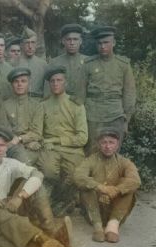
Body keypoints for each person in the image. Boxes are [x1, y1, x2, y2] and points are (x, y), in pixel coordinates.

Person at [0, 127, 72, 247]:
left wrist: (20, 197)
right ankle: (49, 238)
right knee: (4, 220)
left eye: (2, 145)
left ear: (6, 148)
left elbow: (38, 174)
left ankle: (50, 230)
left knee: (35, 183)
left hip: (4, 207)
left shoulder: (10, 163)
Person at [36, 65, 88, 215]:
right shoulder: (43, 105)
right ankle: (57, 202)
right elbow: (39, 133)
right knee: (48, 170)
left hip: (72, 150)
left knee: (74, 174)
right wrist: (45, 142)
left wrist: (57, 140)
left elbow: (83, 138)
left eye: (59, 80)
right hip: (50, 148)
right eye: (52, 81)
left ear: (65, 82)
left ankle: (64, 201)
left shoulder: (76, 105)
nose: (56, 84)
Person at [74, 128, 141, 243]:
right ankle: (98, 227)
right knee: (86, 186)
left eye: (111, 142)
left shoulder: (124, 162)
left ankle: (112, 226)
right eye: (104, 142)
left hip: (116, 208)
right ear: (99, 144)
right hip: (93, 208)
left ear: (117, 145)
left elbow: (136, 180)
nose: (107, 146)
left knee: (129, 188)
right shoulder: (91, 160)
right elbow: (78, 176)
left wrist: (116, 190)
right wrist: (101, 188)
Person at [80, 26, 136, 154]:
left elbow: (129, 94)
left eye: (106, 42)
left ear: (114, 43)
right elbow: (80, 93)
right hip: (92, 115)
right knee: (92, 152)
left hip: (115, 116)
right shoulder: (88, 64)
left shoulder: (123, 65)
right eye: (99, 43)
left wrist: (126, 120)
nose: (102, 46)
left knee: (112, 152)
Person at [4, 67, 42, 165]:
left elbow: (37, 132)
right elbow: (5, 130)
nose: (20, 84)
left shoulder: (36, 105)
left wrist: (21, 139)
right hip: (11, 146)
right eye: (16, 81)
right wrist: (16, 141)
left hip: (31, 147)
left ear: (28, 84)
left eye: (23, 81)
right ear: (12, 85)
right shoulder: (4, 105)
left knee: (25, 164)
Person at [45, 24, 86, 97]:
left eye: (75, 39)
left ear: (81, 41)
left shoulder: (88, 61)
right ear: (63, 41)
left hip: (83, 103)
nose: (72, 43)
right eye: (68, 39)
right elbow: (48, 88)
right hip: (60, 102)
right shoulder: (54, 62)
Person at [17, 26, 47, 99]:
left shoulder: (43, 64)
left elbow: (47, 88)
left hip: (38, 103)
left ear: (36, 44)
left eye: (33, 43)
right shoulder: (13, 63)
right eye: (27, 43)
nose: (30, 46)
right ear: (21, 45)